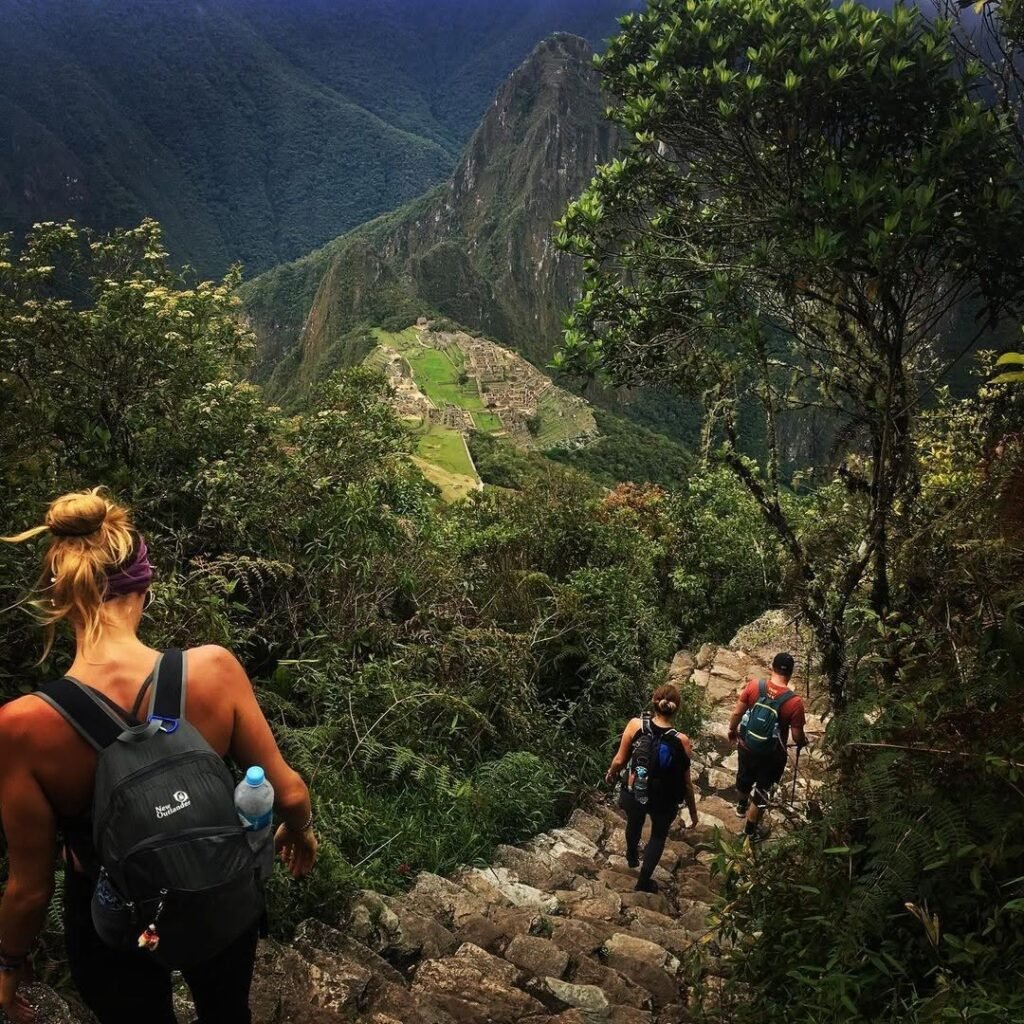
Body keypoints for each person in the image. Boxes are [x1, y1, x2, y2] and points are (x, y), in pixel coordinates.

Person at [0, 488, 318, 1024]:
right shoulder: (214, 670)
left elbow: (29, 889)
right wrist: (299, 830)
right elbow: (289, 791)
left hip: (109, 914)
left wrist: (9, 967)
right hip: (217, 889)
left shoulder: (23, 726)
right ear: (144, 587)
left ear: (60, 598)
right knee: (226, 1012)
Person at [605, 684, 698, 893]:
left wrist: (611, 773)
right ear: (676, 708)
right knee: (657, 835)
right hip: (664, 798)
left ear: (654, 701)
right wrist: (693, 812)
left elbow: (620, 759)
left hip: (634, 790)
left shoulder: (635, 725)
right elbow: (687, 783)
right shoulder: (681, 740)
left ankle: (631, 855)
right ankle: (643, 881)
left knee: (634, 823)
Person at [727, 651, 807, 842]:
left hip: (747, 745)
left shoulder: (755, 686)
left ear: (772, 667)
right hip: (772, 755)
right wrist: (802, 741)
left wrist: (732, 730)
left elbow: (738, 712)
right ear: (790, 673)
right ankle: (750, 831)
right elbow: (796, 736)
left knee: (744, 776)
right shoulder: (794, 703)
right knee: (762, 790)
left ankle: (740, 806)